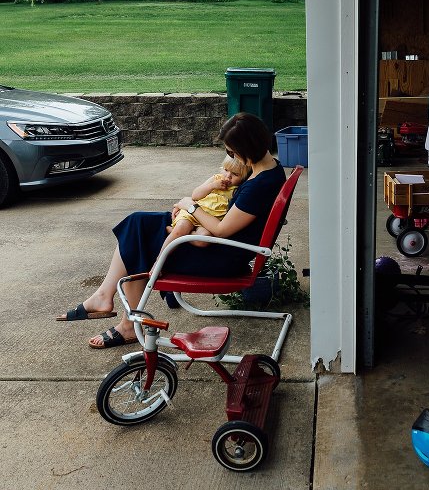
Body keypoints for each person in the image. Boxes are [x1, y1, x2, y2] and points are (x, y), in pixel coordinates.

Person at [55, 113, 287, 349]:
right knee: (137, 222)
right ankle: (105, 296)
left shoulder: (259, 185)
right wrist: (190, 211)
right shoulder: (268, 169)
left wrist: (191, 206)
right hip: (213, 240)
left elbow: (222, 229)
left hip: (221, 256)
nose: (232, 157)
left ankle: (124, 323)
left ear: (248, 149)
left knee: (140, 241)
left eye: (232, 152)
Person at [162, 154, 249, 251]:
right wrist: (212, 186)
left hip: (209, 223)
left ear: (244, 177)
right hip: (193, 214)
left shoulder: (239, 190)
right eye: (226, 170)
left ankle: (177, 233)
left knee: (203, 241)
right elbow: (195, 195)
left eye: (235, 174)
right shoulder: (215, 179)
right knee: (182, 226)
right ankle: (158, 261)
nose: (228, 176)